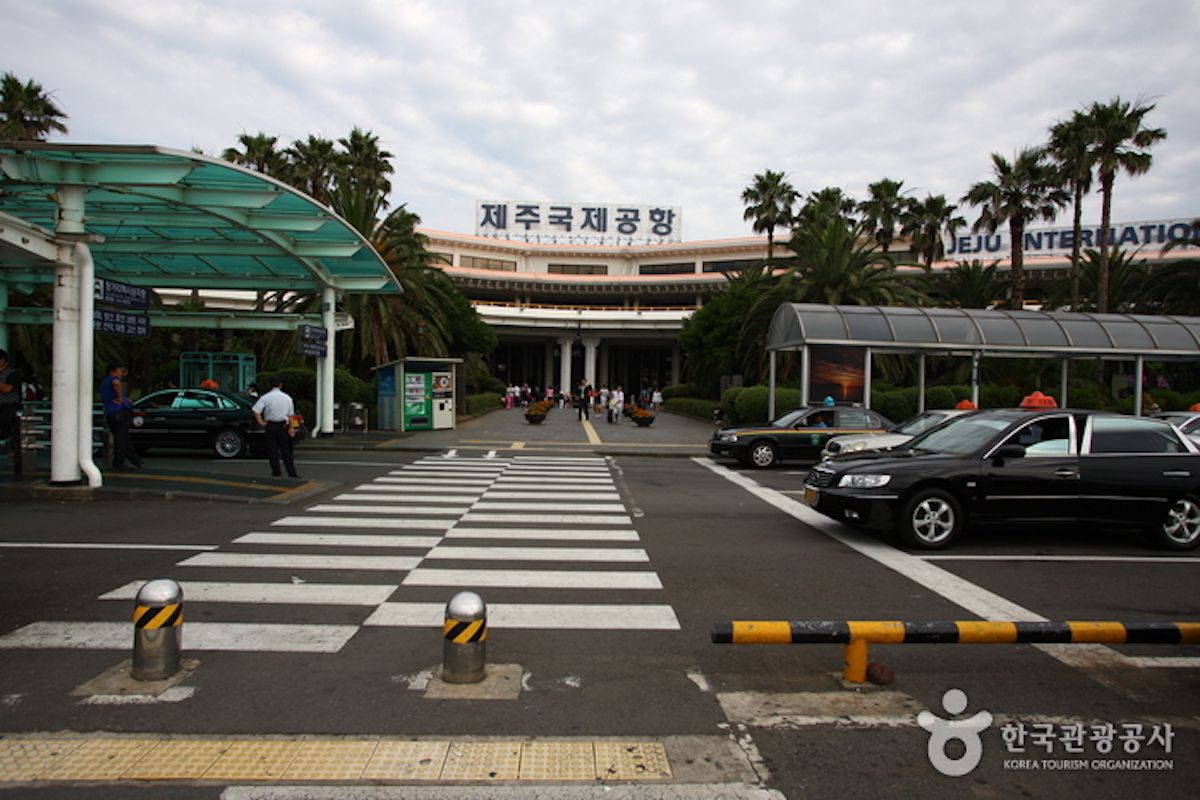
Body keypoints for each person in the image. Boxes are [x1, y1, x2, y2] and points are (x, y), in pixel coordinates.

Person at [252, 375, 299, 478]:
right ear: (280, 385)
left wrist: (261, 422)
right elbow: (291, 415)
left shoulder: (265, 397)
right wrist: (291, 428)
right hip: (283, 425)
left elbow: (256, 411)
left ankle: (276, 471)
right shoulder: (287, 398)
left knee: (272, 449)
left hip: (270, 425)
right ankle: (291, 472)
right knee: (286, 450)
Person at [99, 362, 141, 469]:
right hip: (119, 412)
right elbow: (116, 383)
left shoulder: (104, 382)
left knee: (123, 438)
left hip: (111, 412)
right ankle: (119, 463)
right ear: (113, 371)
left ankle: (134, 459)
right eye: (120, 371)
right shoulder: (112, 380)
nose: (121, 374)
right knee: (121, 438)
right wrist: (120, 397)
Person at [0, 349, 22, 455]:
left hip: (9, 406)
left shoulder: (12, 373)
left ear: (2, 361)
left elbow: (8, 388)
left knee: (6, 423)